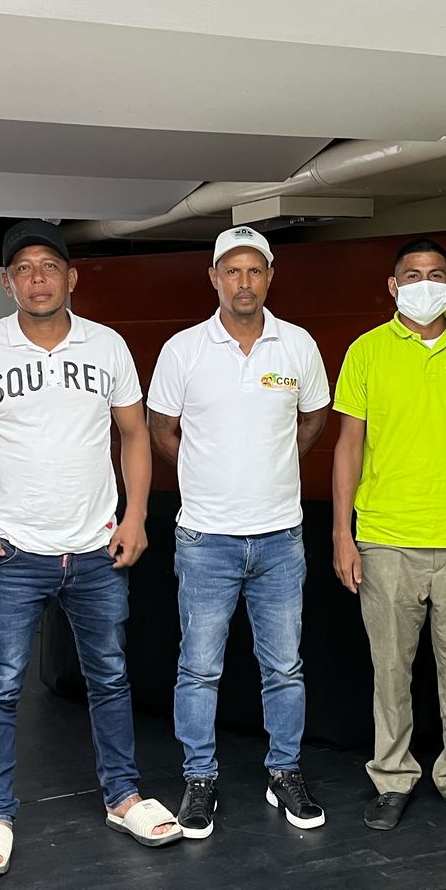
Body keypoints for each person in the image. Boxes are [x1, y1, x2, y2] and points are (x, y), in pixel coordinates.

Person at [0, 218, 181, 876]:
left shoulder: (107, 346)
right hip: (13, 554)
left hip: (96, 550)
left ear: (72, 277)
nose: (37, 278)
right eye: (24, 268)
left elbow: (134, 433)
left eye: (49, 266)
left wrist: (135, 517)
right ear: (7, 282)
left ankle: (123, 797)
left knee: (110, 677)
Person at [148, 225, 331, 838]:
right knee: (199, 669)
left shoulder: (297, 344)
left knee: (285, 668)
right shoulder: (183, 349)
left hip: (280, 538)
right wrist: (207, 473)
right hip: (206, 539)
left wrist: (272, 466)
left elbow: (314, 419)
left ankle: (285, 773)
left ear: (270, 277)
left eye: (255, 270)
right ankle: (200, 778)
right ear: (214, 278)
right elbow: (162, 428)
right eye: (232, 270)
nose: (243, 282)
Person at [332, 237, 446, 831]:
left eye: (436, 274)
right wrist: (342, 534)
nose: (424, 283)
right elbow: (349, 445)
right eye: (412, 275)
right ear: (393, 286)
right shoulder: (367, 351)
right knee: (391, 670)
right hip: (387, 535)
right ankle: (393, 777)